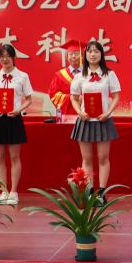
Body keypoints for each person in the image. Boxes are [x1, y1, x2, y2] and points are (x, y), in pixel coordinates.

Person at [69, 40, 121, 199]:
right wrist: (79, 112)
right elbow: (73, 97)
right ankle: (90, 191)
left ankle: (102, 192)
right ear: (85, 54)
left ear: (101, 54)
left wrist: (108, 112)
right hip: (85, 122)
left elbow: (116, 96)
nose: (93, 54)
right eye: (90, 51)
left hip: (103, 120)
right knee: (87, 159)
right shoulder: (79, 76)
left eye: (96, 51)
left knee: (103, 158)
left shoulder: (109, 74)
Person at [0, 44, 33, 206]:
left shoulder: (22, 76)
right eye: (2, 56)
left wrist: (19, 110)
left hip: (14, 119)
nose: (5, 59)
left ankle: (13, 192)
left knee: (14, 157)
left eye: (8, 56)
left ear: (14, 58)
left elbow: (29, 99)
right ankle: (3, 191)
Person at [49, 40, 83, 115]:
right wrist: (72, 98)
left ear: (82, 56)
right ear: (67, 57)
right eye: (70, 54)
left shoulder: (89, 74)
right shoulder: (59, 75)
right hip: (67, 115)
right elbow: (54, 95)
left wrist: (85, 98)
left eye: (76, 54)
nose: (73, 56)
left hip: (87, 114)